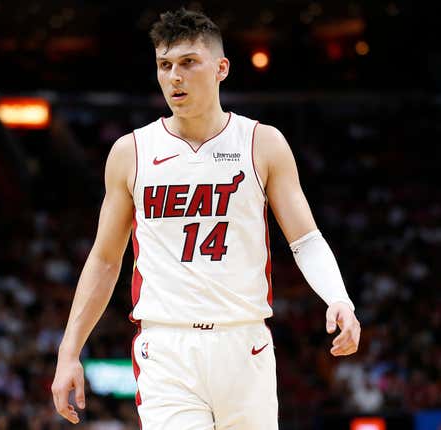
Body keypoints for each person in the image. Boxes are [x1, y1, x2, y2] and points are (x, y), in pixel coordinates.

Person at [51, 7, 361, 429]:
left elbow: (305, 238)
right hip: (166, 346)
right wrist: (69, 351)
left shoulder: (262, 143)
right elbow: (105, 259)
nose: (174, 76)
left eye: (187, 63)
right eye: (164, 65)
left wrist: (338, 297)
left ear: (221, 68)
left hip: (244, 342)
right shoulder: (131, 152)